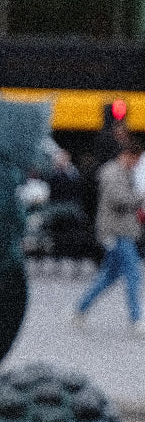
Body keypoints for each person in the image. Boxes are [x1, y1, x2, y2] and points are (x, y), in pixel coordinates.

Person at [73, 136, 145, 334]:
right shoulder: (112, 172)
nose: (136, 164)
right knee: (133, 274)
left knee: (108, 277)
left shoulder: (123, 172)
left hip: (122, 231)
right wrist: (140, 197)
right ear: (128, 156)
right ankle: (136, 320)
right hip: (116, 231)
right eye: (136, 160)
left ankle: (80, 309)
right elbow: (118, 199)